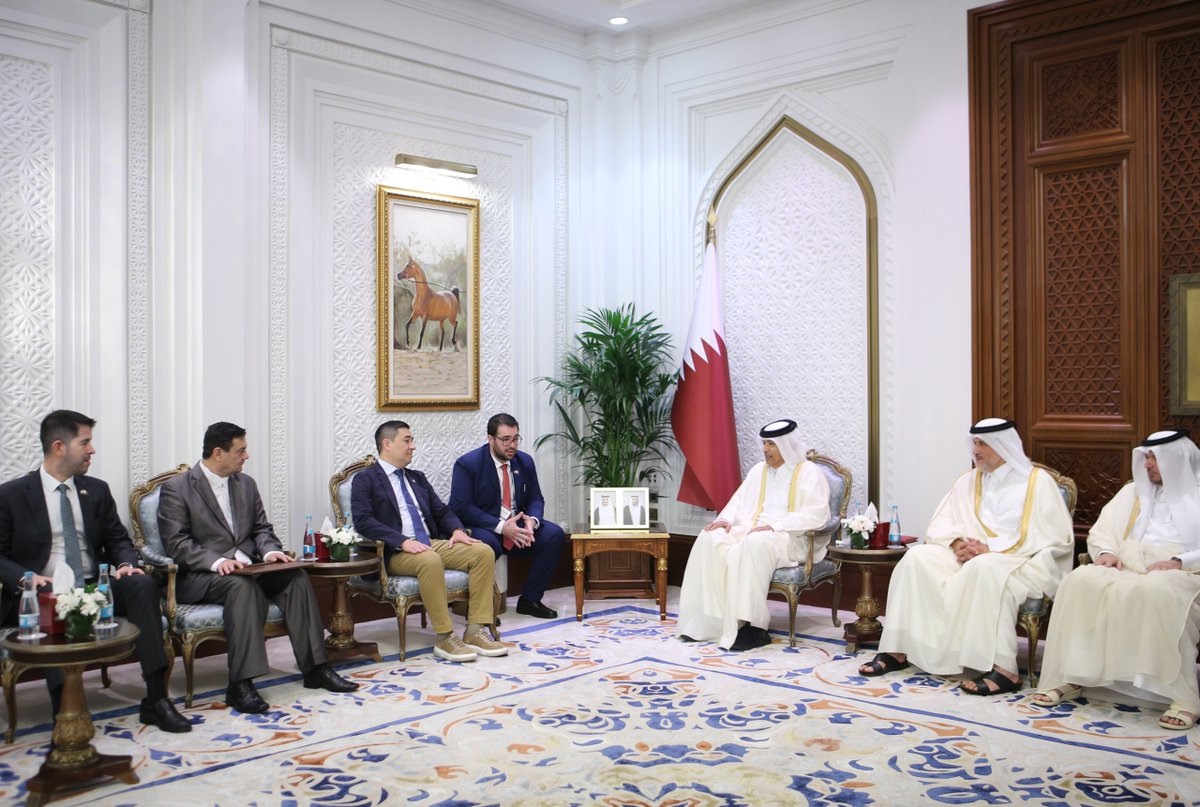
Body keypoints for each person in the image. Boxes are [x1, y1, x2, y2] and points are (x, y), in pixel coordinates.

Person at [0, 410, 191, 732]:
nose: (92, 450)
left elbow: (118, 540)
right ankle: (63, 708)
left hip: (93, 588)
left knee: (142, 585)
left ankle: (156, 698)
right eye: (85, 442)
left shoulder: (96, 490)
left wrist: (127, 565)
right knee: (52, 598)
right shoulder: (12, 495)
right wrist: (26, 578)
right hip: (42, 590)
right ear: (59, 447)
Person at [860, 418, 1074, 695]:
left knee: (985, 567)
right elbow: (941, 523)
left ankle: (1005, 670)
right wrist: (957, 543)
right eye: (974, 443)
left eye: (983, 444)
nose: (976, 450)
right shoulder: (968, 481)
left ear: (1003, 444)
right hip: (969, 557)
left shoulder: (1037, 482)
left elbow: (1053, 536)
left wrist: (991, 549)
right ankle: (897, 649)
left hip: (1020, 560)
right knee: (917, 558)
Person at [157, 422, 358, 714]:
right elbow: (177, 544)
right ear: (218, 453)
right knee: (241, 587)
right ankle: (241, 684)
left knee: (296, 577)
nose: (247, 456)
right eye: (241, 450)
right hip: (203, 576)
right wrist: (218, 561)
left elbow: (262, 528)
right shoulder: (177, 489)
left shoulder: (246, 484)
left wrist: (271, 552)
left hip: (251, 567)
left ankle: (316, 668)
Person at [1033, 429, 1200, 730]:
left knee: (1158, 589)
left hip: (1184, 571)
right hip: (1129, 562)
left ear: (1176, 459)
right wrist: (1107, 553)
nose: (1147, 465)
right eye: (1146, 457)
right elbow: (1102, 531)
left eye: (1154, 458)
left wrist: (1179, 561)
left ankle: (1182, 697)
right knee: (1080, 580)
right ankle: (1074, 676)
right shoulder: (1133, 492)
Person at [351, 420, 506, 661]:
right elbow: (363, 521)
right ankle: (445, 637)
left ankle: (475, 630)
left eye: (412, 440)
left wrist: (457, 530)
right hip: (395, 551)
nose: (413, 446)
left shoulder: (417, 478)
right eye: (407, 440)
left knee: (482, 551)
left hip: (429, 542)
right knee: (430, 560)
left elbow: (441, 511)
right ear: (387, 444)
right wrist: (401, 541)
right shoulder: (365, 479)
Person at [676, 419, 830, 651]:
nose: (765, 449)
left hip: (790, 537)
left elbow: (817, 515)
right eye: (764, 443)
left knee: (754, 542)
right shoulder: (759, 470)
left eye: (771, 444)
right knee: (710, 537)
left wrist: (775, 526)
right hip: (753, 529)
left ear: (786, 445)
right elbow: (738, 501)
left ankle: (754, 628)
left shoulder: (809, 472)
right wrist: (725, 520)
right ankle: (709, 622)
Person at [449, 413, 565, 619]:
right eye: (505, 440)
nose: (512, 445)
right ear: (490, 439)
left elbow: (536, 498)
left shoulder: (524, 461)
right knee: (487, 545)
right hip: (485, 527)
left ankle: (530, 600)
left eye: (515, 439)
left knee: (554, 535)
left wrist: (532, 521)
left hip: (516, 525)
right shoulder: (468, 464)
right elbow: (462, 507)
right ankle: (480, 609)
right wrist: (502, 527)